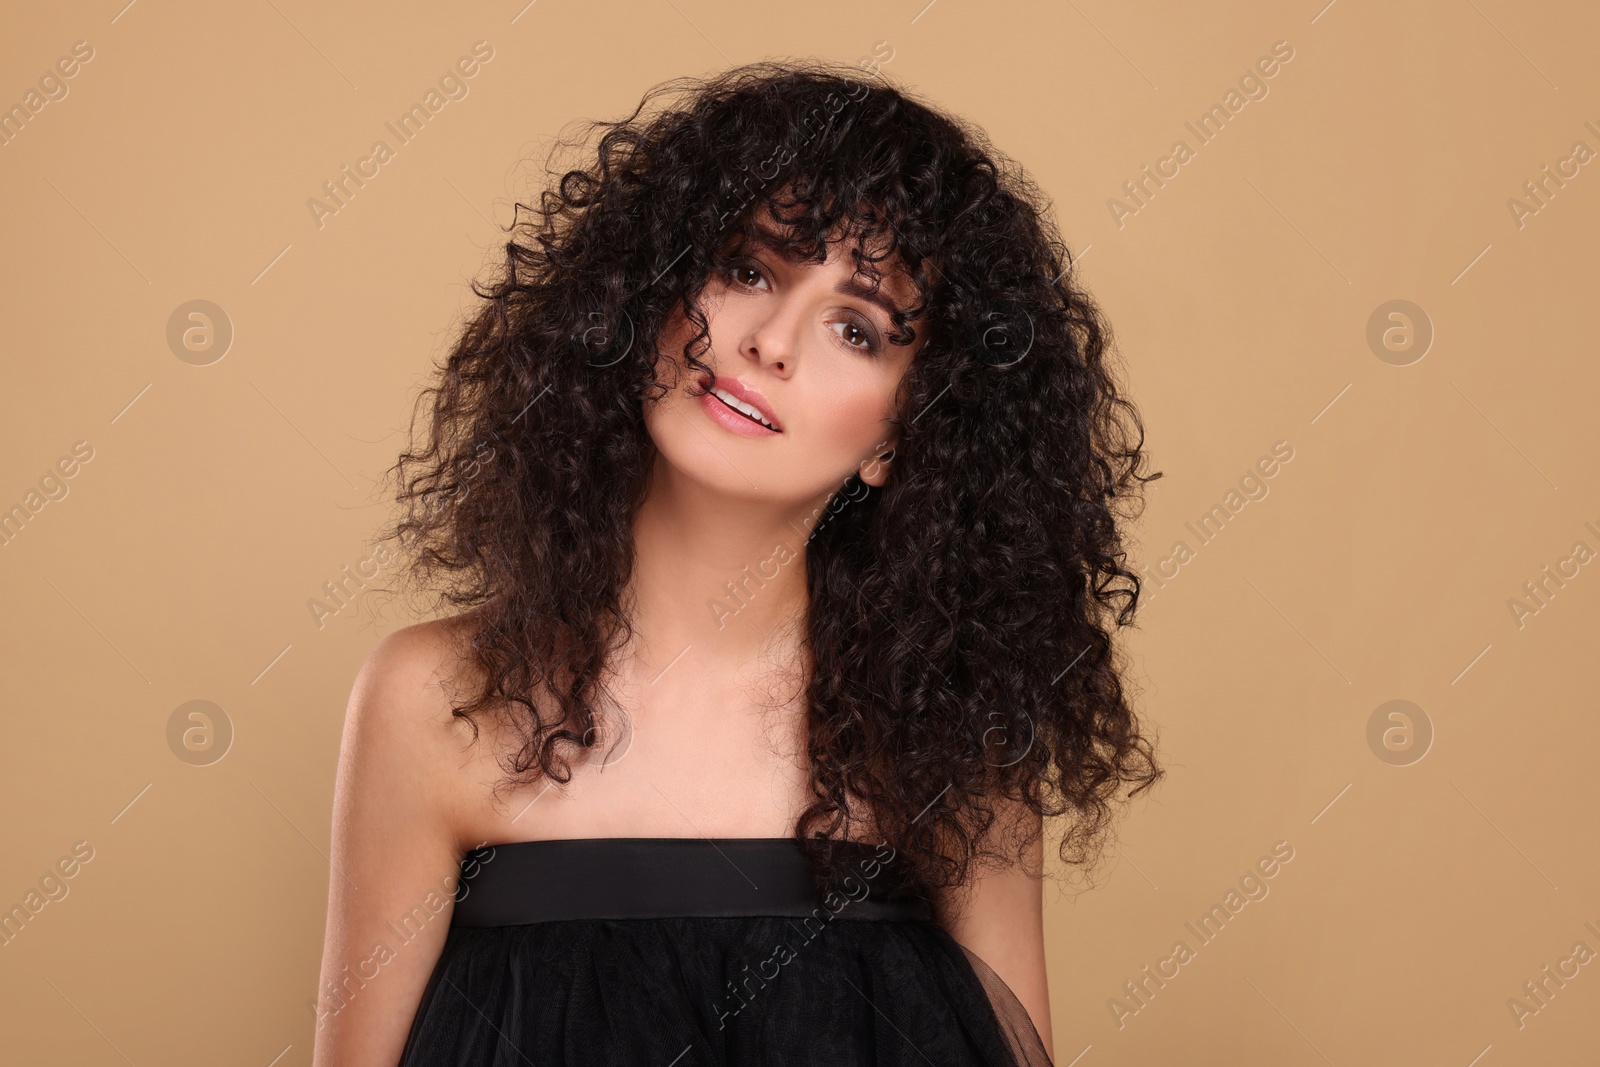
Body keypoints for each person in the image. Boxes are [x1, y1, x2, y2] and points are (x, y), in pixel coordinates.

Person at [312, 59, 1163, 1067]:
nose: (769, 340)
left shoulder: (953, 735)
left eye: (857, 326)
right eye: (750, 269)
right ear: (650, 296)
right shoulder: (434, 701)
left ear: (903, 434)